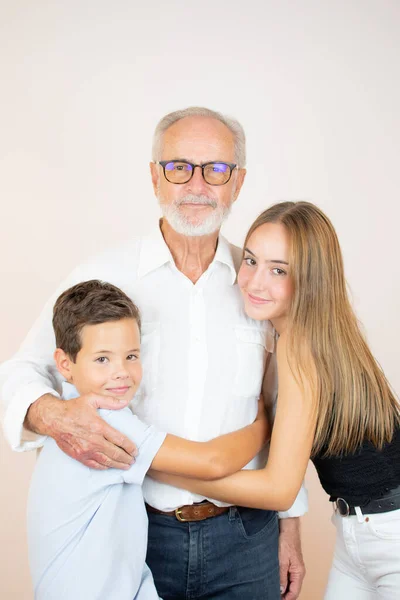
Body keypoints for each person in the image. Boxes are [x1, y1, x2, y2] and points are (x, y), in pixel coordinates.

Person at [0, 107, 307, 600]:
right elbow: (21, 369)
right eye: (179, 167)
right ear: (154, 177)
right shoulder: (103, 274)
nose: (197, 185)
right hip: (137, 534)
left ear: (238, 183)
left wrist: (290, 524)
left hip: (246, 537)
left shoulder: (260, 285)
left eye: (216, 169)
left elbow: (281, 410)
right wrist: (54, 413)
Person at [150, 201, 400, 600]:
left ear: (311, 280)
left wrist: (155, 469)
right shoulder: (313, 331)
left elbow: (278, 489)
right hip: (356, 534)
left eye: (279, 270)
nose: (253, 282)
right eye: (250, 261)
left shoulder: (301, 349)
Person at [28, 279, 269, 599]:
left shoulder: (71, 416)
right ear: (65, 364)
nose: (122, 372)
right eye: (103, 359)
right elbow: (214, 461)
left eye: (131, 356)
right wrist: (264, 424)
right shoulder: (103, 421)